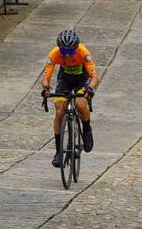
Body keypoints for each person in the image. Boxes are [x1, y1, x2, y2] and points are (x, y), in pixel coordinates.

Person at [41, 29, 99, 168]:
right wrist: (46, 88)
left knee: (80, 104)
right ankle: (58, 152)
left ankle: (86, 130)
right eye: (64, 52)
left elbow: (94, 77)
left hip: (82, 79)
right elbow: (45, 77)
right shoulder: (54, 54)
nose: (67, 55)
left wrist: (90, 89)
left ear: (76, 48)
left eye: (71, 52)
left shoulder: (83, 52)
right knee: (59, 111)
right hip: (65, 79)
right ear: (59, 49)